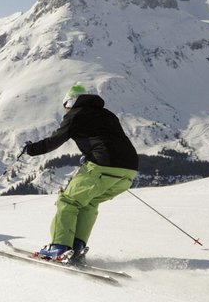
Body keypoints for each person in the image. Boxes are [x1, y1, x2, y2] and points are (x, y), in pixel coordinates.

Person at [23, 83, 139, 261]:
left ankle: (59, 247)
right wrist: (91, 154)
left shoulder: (75, 114)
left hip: (102, 166)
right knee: (88, 203)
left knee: (68, 201)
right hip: (129, 170)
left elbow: (54, 141)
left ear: (69, 103)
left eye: (65, 108)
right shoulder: (107, 114)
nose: (65, 112)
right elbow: (107, 139)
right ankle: (76, 247)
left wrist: (30, 149)